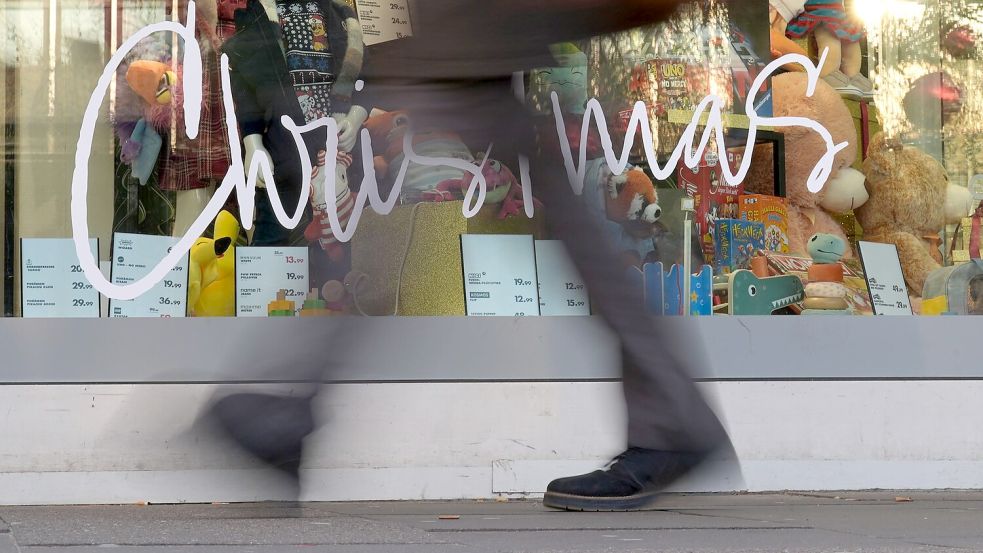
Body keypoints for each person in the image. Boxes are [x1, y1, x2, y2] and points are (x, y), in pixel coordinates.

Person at [204, 0, 732, 512]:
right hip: (471, 23)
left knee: (538, 187)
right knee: (545, 191)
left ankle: (672, 416)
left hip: (475, 20)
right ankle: (671, 413)